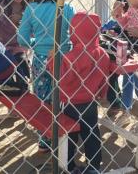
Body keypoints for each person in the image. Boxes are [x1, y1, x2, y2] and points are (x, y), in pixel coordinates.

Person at [18, 0, 76, 152]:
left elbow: (22, 39)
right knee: (63, 96)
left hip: (41, 59)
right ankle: (66, 137)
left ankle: (45, 140)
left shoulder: (32, 9)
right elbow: (74, 34)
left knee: (43, 99)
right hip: (64, 58)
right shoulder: (66, 8)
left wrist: (36, 42)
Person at [47, 11, 110, 174]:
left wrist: (52, 60)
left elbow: (62, 78)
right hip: (89, 102)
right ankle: (94, 165)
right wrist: (102, 93)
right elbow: (104, 77)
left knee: (70, 135)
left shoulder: (72, 56)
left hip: (69, 103)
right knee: (91, 133)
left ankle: (68, 165)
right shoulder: (103, 53)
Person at [101, 0, 129, 115]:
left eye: (119, 8)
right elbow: (101, 29)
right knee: (112, 79)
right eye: (114, 7)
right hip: (109, 55)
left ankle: (116, 104)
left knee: (112, 78)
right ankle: (116, 100)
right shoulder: (111, 23)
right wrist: (107, 31)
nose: (116, 10)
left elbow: (127, 37)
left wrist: (117, 34)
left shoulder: (126, 24)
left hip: (120, 56)